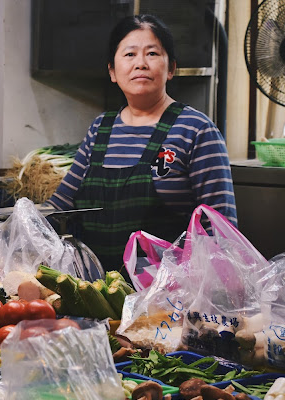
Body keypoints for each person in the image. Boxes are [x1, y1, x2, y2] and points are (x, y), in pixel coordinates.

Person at [46, 14, 237, 273]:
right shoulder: (100, 129)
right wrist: (17, 226)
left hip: (168, 291)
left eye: (152, 53)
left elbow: (221, 232)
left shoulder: (196, 129)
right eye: (129, 54)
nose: (140, 64)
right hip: (99, 289)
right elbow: (60, 206)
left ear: (171, 69)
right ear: (112, 71)